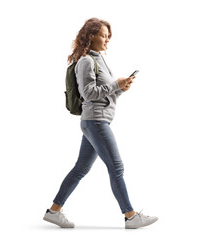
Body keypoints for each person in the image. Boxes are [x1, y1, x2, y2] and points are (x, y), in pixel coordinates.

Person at [43, 18, 158, 229]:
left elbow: (105, 96)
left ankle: (54, 211)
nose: (106, 40)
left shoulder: (99, 59)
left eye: (108, 36)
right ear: (91, 36)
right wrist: (116, 84)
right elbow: (88, 94)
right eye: (103, 35)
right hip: (95, 121)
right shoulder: (86, 60)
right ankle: (130, 217)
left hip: (96, 120)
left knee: (80, 168)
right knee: (116, 167)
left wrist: (121, 89)